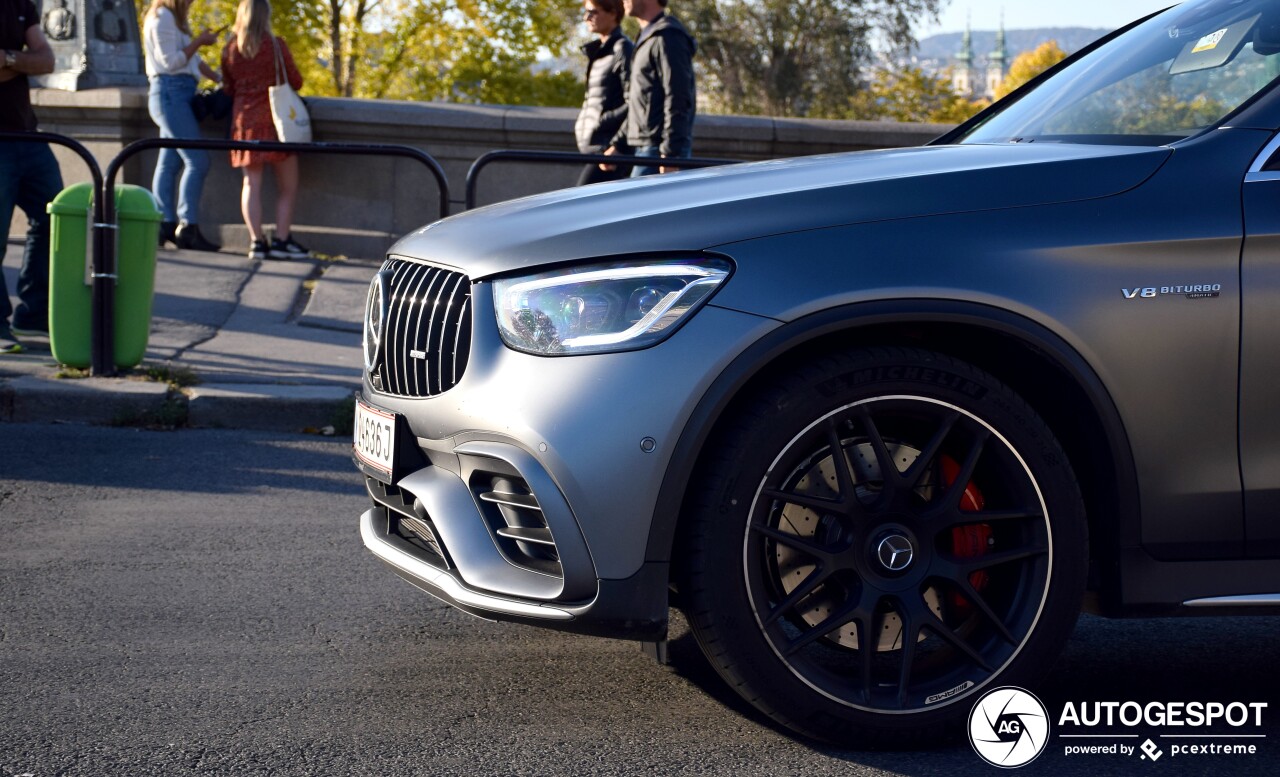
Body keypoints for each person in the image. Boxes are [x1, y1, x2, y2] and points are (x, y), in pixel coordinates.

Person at [221, 0, 308, 260]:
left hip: (244, 122)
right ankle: (282, 240)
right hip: (276, 122)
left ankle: (256, 242)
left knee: (251, 183)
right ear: (265, 16)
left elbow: (228, 87)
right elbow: (296, 81)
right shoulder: (276, 46)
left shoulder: (231, 48)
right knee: (288, 186)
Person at [1, 0, 63, 353]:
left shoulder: (19, 3)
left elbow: (48, 60)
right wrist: (23, 61)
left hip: (28, 136)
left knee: (55, 219)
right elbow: (34, 58)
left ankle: (34, 312)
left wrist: (9, 60)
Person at [143, 0, 222, 251]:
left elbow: (193, 60)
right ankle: (187, 226)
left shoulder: (172, 18)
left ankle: (165, 224)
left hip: (178, 94)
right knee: (197, 161)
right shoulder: (163, 16)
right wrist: (199, 41)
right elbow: (170, 62)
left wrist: (219, 79)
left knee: (170, 163)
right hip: (170, 94)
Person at [602, 0, 696, 177]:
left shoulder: (668, 36)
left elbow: (678, 96)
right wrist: (618, 145)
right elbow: (640, 103)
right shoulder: (649, 36)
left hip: (658, 152)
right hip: (648, 149)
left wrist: (670, 154)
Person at [574, 0, 632, 186]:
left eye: (592, 12)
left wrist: (615, 143)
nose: (586, 17)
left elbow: (636, 102)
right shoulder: (599, 51)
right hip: (595, 147)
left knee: (579, 207)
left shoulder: (622, 49)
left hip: (610, 150)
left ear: (613, 13)